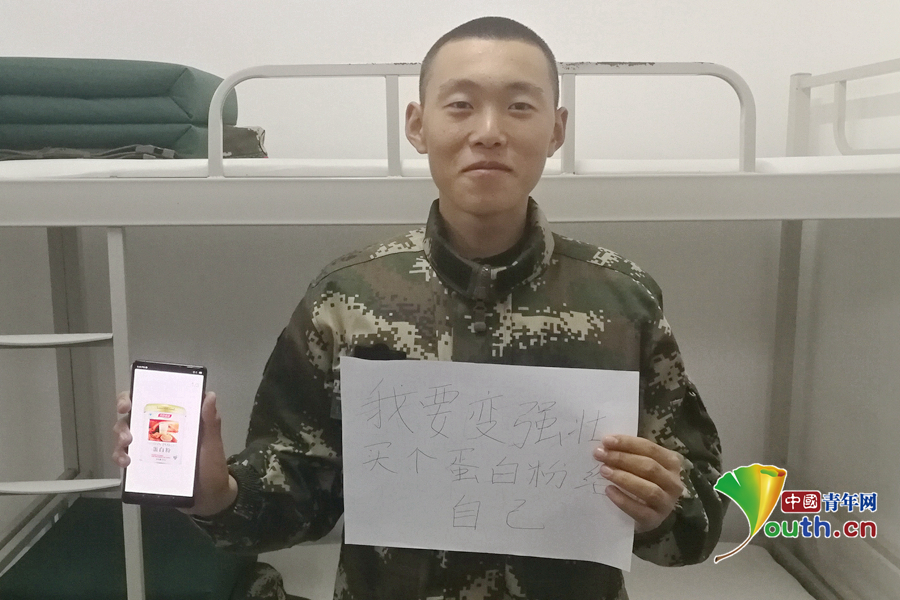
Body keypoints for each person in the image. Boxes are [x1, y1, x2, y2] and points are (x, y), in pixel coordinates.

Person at [114, 16, 725, 600]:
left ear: (556, 129)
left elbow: (703, 509)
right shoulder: (348, 297)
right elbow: (297, 491)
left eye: (520, 106)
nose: (489, 131)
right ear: (417, 124)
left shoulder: (622, 299)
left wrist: (665, 507)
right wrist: (217, 493)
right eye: (460, 105)